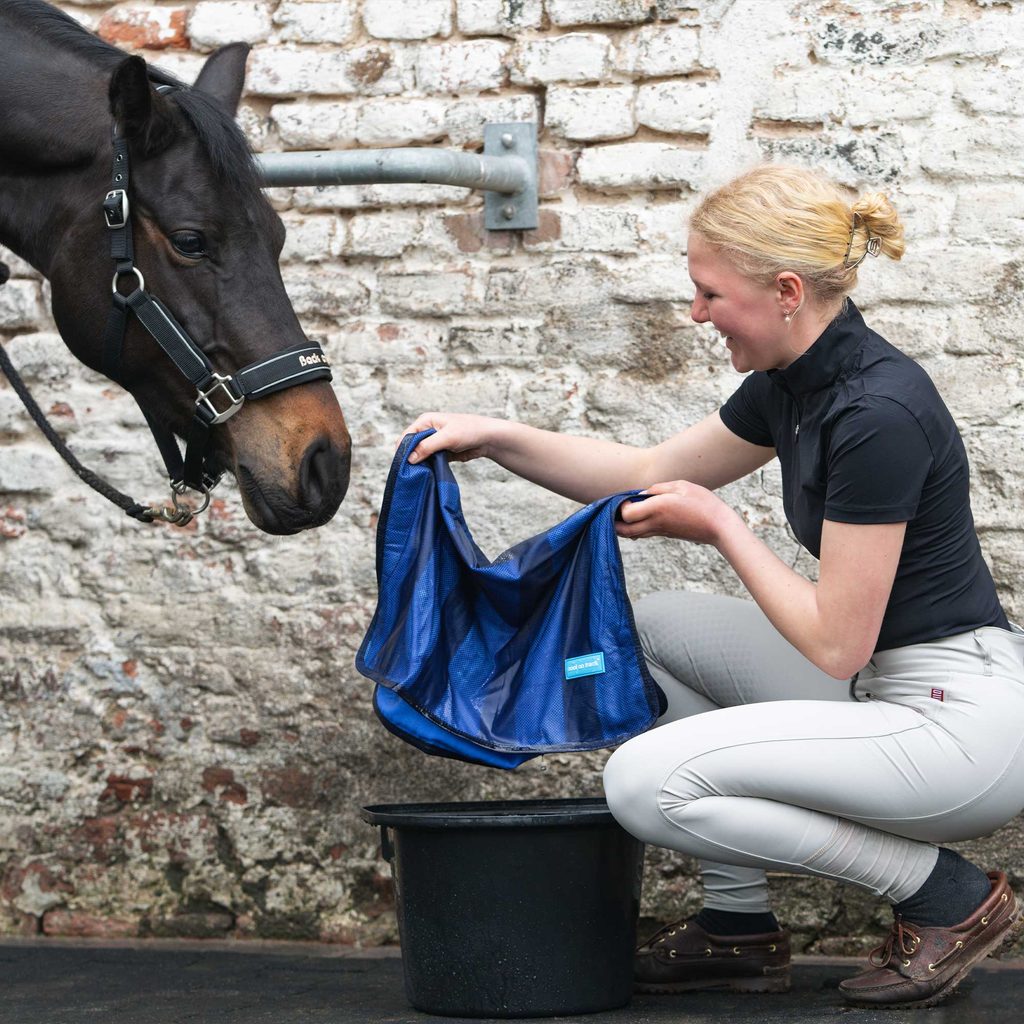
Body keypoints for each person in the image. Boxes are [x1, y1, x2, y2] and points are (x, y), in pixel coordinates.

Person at [402, 164, 1024, 1008]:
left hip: (960, 729)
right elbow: (647, 470)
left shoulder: (877, 413)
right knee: (647, 630)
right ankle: (738, 929)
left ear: (786, 292)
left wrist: (724, 528)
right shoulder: (792, 386)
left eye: (710, 293)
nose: (696, 313)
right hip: (885, 688)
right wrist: (494, 436)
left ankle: (947, 895)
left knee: (641, 784)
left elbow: (836, 640)